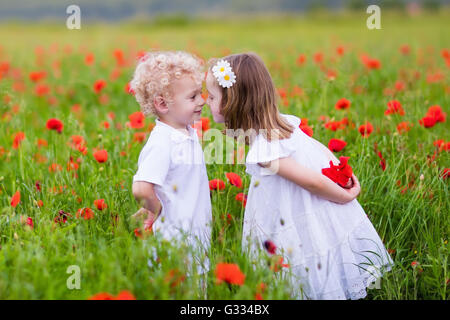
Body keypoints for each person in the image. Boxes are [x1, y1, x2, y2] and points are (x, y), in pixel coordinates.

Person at [205, 52, 394, 300]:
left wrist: (346, 196)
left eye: (211, 96)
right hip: (302, 208)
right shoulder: (284, 126)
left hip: (293, 214)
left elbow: (312, 181)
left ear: (233, 101)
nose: (206, 101)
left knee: (301, 268)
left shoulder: (266, 149)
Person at [129, 51, 212, 287]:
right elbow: (141, 188)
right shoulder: (162, 142)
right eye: (193, 96)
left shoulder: (185, 131)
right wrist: (156, 209)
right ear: (163, 104)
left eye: (201, 94)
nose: (202, 101)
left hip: (194, 237)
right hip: (174, 242)